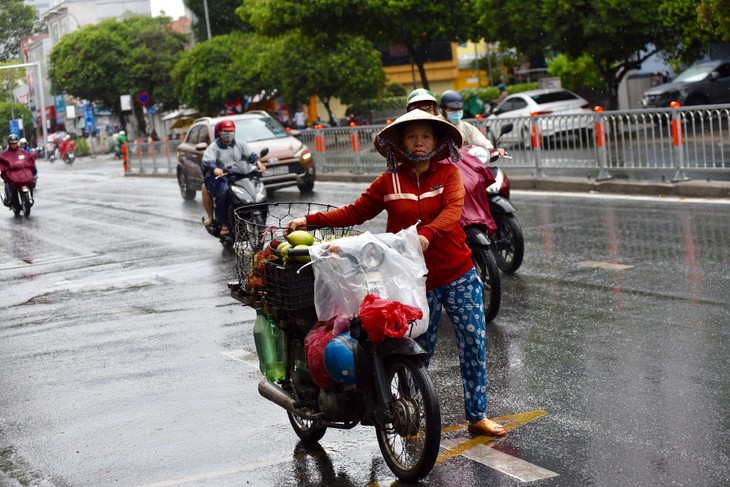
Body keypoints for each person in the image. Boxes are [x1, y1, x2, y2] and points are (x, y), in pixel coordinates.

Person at [286, 110, 507, 436]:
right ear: (400, 143)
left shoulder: (449, 175)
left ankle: (477, 415)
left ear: (437, 142)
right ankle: (412, 412)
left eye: (426, 136)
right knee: (419, 353)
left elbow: (452, 212)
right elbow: (357, 211)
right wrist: (310, 221)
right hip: (414, 282)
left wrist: (426, 235)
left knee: (474, 344)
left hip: (458, 273)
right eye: (412, 136)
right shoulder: (388, 181)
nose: (419, 143)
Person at [201, 119, 266, 237]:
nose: (229, 133)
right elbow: (207, 161)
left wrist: (258, 163)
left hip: (240, 175)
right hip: (223, 177)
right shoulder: (214, 147)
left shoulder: (240, 144)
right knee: (224, 193)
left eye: (231, 131)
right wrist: (215, 168)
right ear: (219, 132)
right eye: (226, 131)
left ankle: (260, 219)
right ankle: (224, 224)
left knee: (257, 190)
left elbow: (251, 155)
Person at [1, 134, 37, 205]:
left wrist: (33, 155)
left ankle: (30, 197)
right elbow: (2, 162)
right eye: (12, 143)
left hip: (23, 173)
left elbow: (28, 157)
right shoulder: (5, 154)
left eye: (15, 143)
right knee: (8, 182)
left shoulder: (22, 151)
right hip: (12, 175)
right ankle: (8, 198)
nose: (14, 145)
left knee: (30, 182)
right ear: (9, 143)